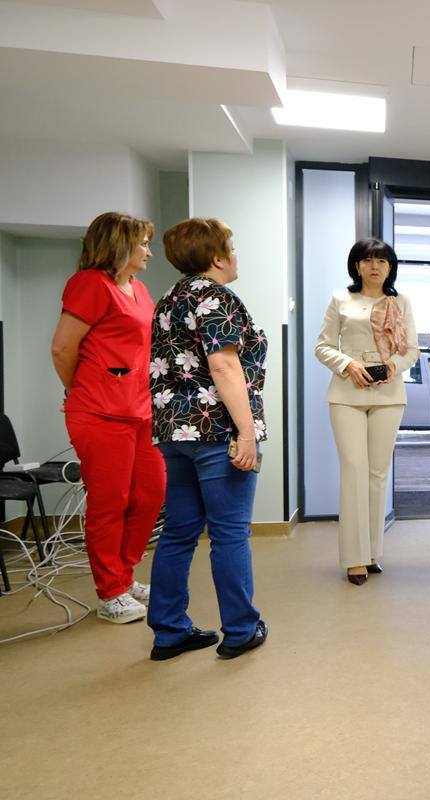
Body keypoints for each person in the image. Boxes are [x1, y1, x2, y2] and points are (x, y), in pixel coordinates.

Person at [145, 218, 267, 660]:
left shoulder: (168, 299)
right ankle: (240, 630)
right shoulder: (216, 297)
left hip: (173, 431)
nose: (235, 254)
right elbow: (224, 366)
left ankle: (169, 632)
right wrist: (246, 432)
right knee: (229, 533)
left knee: (179, 532)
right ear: (217, 257)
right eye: (231, 247)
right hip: (216, 430)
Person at [50, 212, 165, 623]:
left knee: (150, 494)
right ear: (120, 245)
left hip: (140, 410)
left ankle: (124, 575)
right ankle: (110, 591)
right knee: (109, 502)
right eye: (143, 243)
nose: (148, 251)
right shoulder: (90, 284)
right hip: (99, 412)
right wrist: (80, 388)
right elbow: (62, 348)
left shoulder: (139, 288)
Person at [316, 239, 419, 585]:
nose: (375, 266)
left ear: (391, 267)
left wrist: (393, 366)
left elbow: (412, 350)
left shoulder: (401, 301)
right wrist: (348, 365)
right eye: (368, 260)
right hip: (347, 394)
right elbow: (323, 346)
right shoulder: (340, 299)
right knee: (354, 470)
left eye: (382, 261)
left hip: (389, 394)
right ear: (357, 265)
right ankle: (354, 559)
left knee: (377, 474)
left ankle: (372, 553)